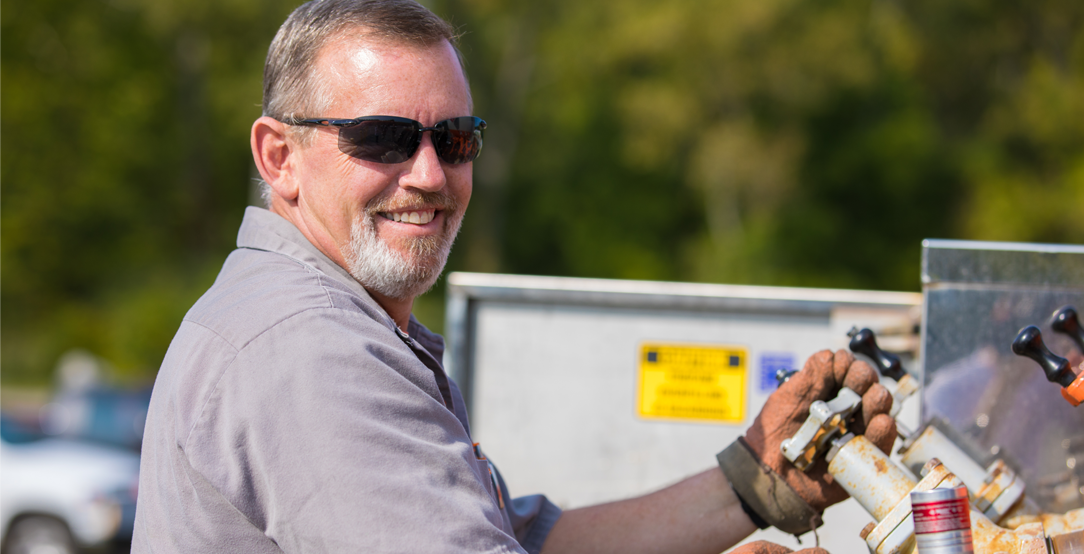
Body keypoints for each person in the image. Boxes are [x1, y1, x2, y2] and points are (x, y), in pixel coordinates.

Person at [131, 1, 897, 552]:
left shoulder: (322, 321)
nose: (428, 174)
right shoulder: (310, 349)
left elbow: (532, 541)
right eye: (384, 138)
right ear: (279, 158)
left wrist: (759, 483)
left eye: (455, 139)